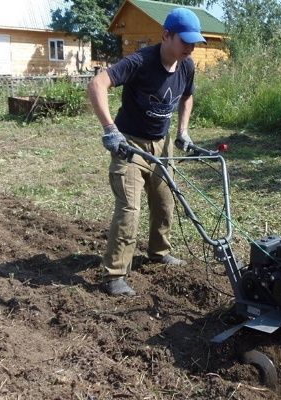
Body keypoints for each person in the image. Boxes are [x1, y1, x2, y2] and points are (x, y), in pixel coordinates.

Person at [87, 8, 206, 296]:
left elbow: (187, 96)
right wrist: (110, 130)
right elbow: (97, 83)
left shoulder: (186, 65)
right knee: (130, 208)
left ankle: (159, 252)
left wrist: (182, 132)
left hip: (161, 144)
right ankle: (115, 274)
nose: (190, 47)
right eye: (185, 41)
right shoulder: (141, 61)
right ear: (166, 35)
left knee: (165, 202)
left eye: (194, 42)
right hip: (130, 143)